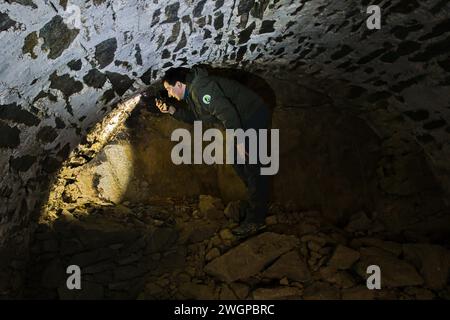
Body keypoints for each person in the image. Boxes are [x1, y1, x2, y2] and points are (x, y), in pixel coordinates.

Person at [154, 66, 271, 236]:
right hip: (243, 120)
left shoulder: (200, 89)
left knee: (251, 164)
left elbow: (227, 111)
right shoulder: (192, 95)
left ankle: (256, 219)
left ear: (178, 84)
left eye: (169, 89)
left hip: (252, 116)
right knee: (238, 161)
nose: (170, 94)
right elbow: (197, 118)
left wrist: (238, 139)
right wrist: (171, 110)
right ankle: (258, 200)